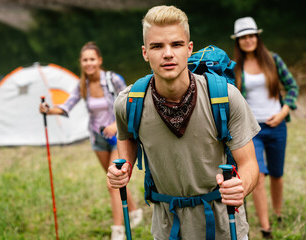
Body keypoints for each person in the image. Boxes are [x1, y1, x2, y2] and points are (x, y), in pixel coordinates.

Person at [107, 5, 261, 240]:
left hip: (224, 226)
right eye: (157, 46)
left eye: (176, 45)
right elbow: (126, 137)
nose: (167, 54)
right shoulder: (128, 103)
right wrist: (124, 167)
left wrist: (241, 185)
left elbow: (249, 164)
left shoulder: (224, 97)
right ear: (145, 52)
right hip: (168, 228)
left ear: (189, 49)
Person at [39, 41, 143, 240]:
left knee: (111, 184)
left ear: (99, 60)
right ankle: (134, 210)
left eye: (92, 59)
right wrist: (48, 110)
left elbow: (131, 103)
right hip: (98, 139)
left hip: (118, 138)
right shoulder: (82, 85)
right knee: (115, 179)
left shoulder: (113, 80)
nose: (89, 63)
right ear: (81, 62)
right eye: (85, 60)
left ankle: (118, 231)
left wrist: (116, 124)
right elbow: (67, 105)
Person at [231, 17, 299, 239]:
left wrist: (282, 113)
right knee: (258, 175)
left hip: (277, 124)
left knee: (277, 175)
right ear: (238, 41)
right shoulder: (235, 67)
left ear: (257, 37)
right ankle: (265, 227)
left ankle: (278, 213)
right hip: (253, 130)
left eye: (251, 35)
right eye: (243, 37)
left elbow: (292, 87)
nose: (248, 40)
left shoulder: (273, 60)